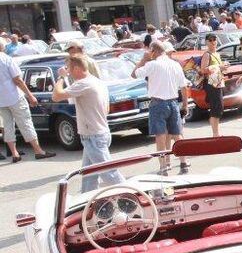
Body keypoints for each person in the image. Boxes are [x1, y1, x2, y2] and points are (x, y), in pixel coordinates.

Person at [51, 55, 125, 191]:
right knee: (89, 175)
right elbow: (107, 109)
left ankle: (131, 196)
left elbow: (56, 96)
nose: (69, 73)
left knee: (109, 174)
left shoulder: (83, 83)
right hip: (98, 132)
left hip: (93, 135)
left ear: (77, 68)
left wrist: (61, 77)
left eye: (69, 69)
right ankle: (87, 203)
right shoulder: (97, 81)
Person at [132, 41, 189, 174]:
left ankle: (164, 166)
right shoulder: (174, 64)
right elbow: (183, 86)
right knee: (177, 134)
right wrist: (185, 105)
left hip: (158, 103)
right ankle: (183, 162)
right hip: (173, 102)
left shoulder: (152, 64)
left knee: (160, 136)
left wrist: (143, 60)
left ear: (153, 51)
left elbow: (134, 74)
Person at [0, 52, 56, 162]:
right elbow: (18, 80)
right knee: (25, 123)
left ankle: (14, 153)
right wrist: (30, 95)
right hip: (14, 96)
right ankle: (38, 151)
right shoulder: (6, 59)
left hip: (1, 100)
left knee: (7, 125)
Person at [199, 33, 227, 136]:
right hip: (211, 84)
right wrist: (219, 67)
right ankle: (215, 133)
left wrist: (222, 68)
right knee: (217, 108)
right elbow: (203, 70)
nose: (213, 42)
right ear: (206, 42)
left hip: (218, 82)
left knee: (218, 108)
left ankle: (216, 132)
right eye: (210, 40)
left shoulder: (217, 54)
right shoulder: (207, 54)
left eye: (214, 40)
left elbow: (218, 68)